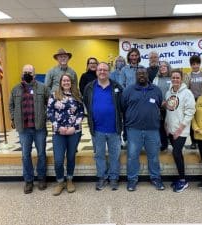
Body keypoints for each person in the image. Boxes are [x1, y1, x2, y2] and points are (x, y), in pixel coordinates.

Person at [122, 67, 165, 191]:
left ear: (147, 75)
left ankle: (156, 178)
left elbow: (159, 106)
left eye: (144, 73)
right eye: (139, 73)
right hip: (134, 130)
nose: (141, 75)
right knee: (132, 156)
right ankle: (132, 179)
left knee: (153, 156)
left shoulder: (156, 90)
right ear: (136, 76)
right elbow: (123, 108)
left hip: (152, 130)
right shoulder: (128, 90)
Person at [83, 62, 123, 191]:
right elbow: (86, 103)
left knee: (114, 155)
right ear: (96, 72)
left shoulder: (116, 86)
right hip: (97, 129)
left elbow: (122, 105)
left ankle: (113, 178)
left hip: (114, 128)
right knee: (99, 155)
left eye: (105, 70)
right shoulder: (89, 87)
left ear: (108, 72)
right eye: (100, 70)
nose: (102, 72)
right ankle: (101, 177)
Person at [9, 64, 48, 194]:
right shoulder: (15, 89)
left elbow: (50, 103)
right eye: (25, 72)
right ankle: (29, 181)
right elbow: (11, 106)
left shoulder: (43, 87)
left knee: (41, 153)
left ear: (34, 75)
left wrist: (45, 117)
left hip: (39, 128)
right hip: (23, 129)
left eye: (30, 72)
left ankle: (42, 178)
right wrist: (13, 119)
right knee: (26, 155)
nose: (27, 74)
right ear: (22, 74)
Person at [47, 73, 84, 196]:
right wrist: (59, 127)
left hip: (74, 132)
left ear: (71, 82)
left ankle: (69, 180)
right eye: (64, 81)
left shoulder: (77, 95)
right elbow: (50, 112)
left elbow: (81, 112)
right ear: (60, 82)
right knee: (58, 160)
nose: (66, 82)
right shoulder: (54, 95)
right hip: (59, 132)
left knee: (71, 157)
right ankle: (60, 182)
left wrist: (74, 127)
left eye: (68, 80)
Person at [165, 69, 195, 193]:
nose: (175, 80)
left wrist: (180, 129)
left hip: (180, 131)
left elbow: (190, 112)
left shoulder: (187, 93)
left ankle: (183, 181)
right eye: (173, 78)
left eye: (178, 77)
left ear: (181, 79)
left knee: (177, 153)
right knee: (176, 154)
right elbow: (169, 110)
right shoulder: (168, 93)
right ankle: (180, 178)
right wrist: (166, 125)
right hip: (171, 129)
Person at [184, 55, 202, 149]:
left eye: (197, 64)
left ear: (200, 64)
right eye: (193, 64)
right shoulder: (188, 75)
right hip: (192, 101)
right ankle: (194, 142)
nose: (195, 66)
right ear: (191, 65)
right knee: (193, 122)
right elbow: (186, 88)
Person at [153, 61, 172, 151]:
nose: (162, 68)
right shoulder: (156, 79)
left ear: (168, 68)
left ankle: (173, 143)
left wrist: (167, 102)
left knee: (170, 125)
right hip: (159, 107)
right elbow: (153, 93)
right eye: (161, 67)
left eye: (165, 66)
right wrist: (159, 102)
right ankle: (164, 144)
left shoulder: (172, 78)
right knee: (160, 126)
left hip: (171, 106)